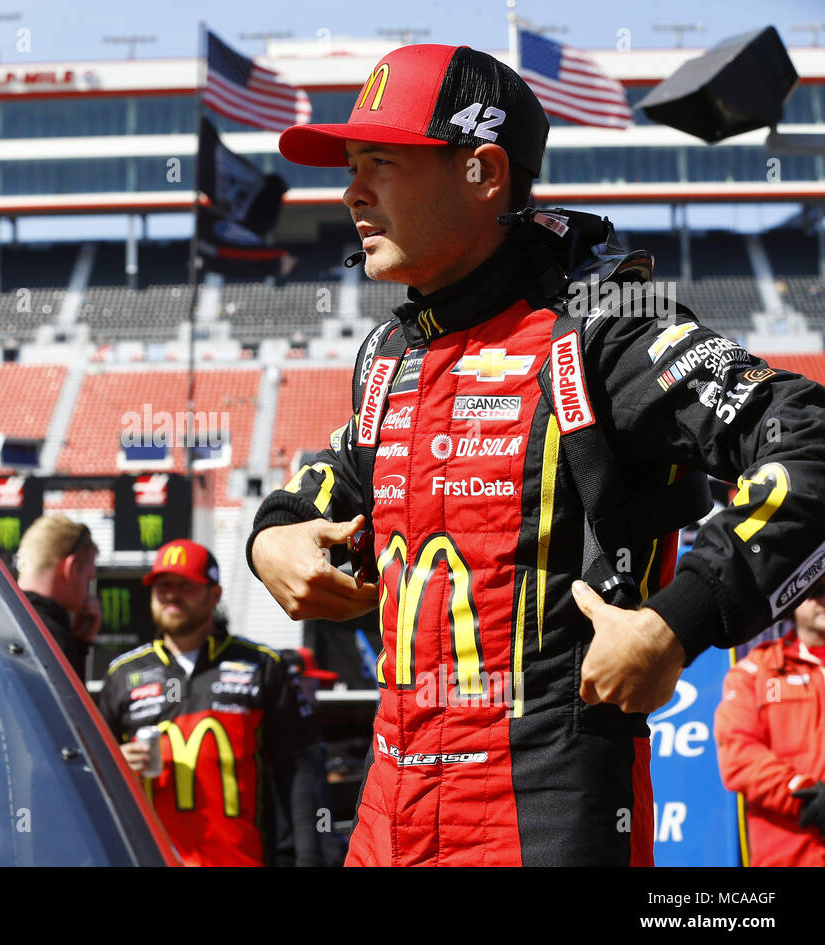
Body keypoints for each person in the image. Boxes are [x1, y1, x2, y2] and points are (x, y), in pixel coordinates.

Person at [247, 43, 825, 865]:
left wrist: (676, 624)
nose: (350, 192)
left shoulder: (606, 328)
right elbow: (328, 483)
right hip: (386, 810)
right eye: (349, 164)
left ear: (483, 171)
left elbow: (810, 437)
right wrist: (274, 534)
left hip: (546, 815)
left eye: (379, 161)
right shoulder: (389, 353)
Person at [96, 539, 320, 866]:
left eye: (184, 585)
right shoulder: (122, 674)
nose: (171, 594)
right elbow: (88, 774)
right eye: (162, 585)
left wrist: (310, 858)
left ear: (214, 595)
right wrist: (115, 763)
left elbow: (299, 771)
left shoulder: (262, 665)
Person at [715, 581, 825, 866]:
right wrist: (806, 796)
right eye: (815, 589)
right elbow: (739, 756)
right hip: (790, 857)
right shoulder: (753, 672)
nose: (823, 599)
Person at [15, 515, 100, 682]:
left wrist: (79, 641)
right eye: (88, 579)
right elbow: (72, 706)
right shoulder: (53, 638)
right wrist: (77, 647)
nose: (88, 594)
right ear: (72, 568)